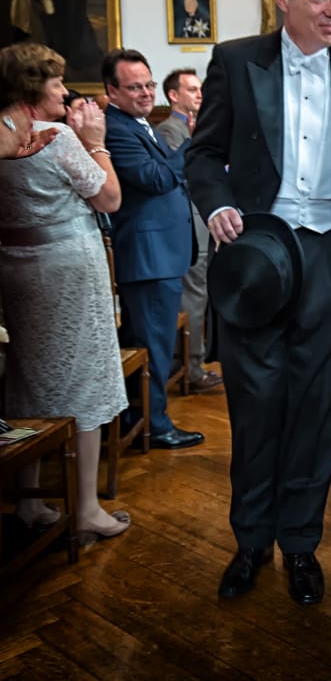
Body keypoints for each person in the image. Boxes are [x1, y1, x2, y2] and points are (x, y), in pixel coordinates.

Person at [185, 0, 331, 606]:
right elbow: (203, 154)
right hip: (257, 258)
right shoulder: (235, 62)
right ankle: (251, 541)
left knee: (317, 407)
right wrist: (218, 204)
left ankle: (301, 543)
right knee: (255, 407)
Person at [0, 42, 130, 542]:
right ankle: (87, 509)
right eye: (56, 83)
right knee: (85, 376)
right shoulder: (58, 138)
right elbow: (109, 198)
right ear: (34, 88)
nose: (64, 91)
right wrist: (97, 142)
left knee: (28, 374)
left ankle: (29, 503)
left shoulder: (5, 139)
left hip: (15, 266)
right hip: (70, 267)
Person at [102, 48, 204, 450]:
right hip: (148, 257)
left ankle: (142, 417)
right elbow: (156, 178)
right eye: (135, 87)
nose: (146, 93)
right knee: (154, 347)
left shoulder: (138, 123)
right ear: (112, 90)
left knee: (152, 345)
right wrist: (192, 145)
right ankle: (155, 424)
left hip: (161, 253)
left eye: (149, 84)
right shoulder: (117, 129)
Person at [156, 68, 221, 394]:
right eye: (192, 89)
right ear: (173, 95)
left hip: (204, 217)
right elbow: (179, 176)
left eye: (200, 89)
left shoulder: (197, 126)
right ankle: (191, 368)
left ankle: (197, 360)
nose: (199, 94)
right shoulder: (169, 129)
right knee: (194, 295)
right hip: (188, 219)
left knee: (202, 293)